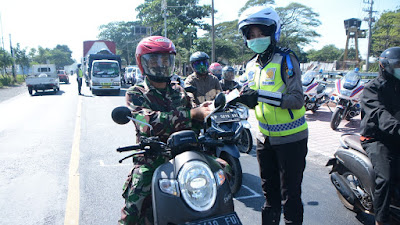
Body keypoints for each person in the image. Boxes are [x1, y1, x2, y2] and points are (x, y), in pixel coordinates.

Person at [120, 36, 212, 225]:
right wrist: (191, 114)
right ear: (142, 63)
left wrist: (209, 112)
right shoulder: (136, 93)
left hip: (187, 156)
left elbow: (197, 118)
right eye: (154, 60)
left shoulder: (180, 91)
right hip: (153, 159)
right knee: (134, 204)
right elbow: (148, 122)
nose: (160, 65)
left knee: (221, 173)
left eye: (165, 60)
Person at [236, 6, 308, 225]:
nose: (256, 39)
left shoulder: (286, 60)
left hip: (292, 140)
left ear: (273, 33)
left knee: (291, 197)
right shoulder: (250, 65)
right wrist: (244, 98)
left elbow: (296, 99)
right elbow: (254, 98)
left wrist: (261, 96)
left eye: (261, 34)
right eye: (252, 35)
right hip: (264, 139)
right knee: (269, 196)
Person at [360, 47, 400, 225]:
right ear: (385, 66)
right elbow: (380, 115)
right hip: (376, 138)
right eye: (398, 65)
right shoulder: (372, 89)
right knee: (386, 178)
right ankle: (380, 220)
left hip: (396, 136)